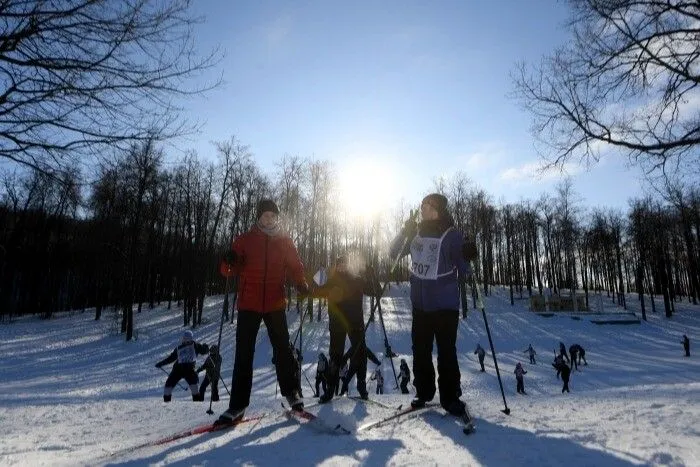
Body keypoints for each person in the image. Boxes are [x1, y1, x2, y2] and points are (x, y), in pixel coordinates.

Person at [215, 199, 309, 426]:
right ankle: (237, 406)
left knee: (283, 350)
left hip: (275, 302)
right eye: (265, 215)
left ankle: (292, 393)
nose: (269, 219)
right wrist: (228, 262)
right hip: (249, 303)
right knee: (243, 353)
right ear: (258, 217)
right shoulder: (245, 240)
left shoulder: (285, 241)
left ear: (277, 218)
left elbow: (296, 266)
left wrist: (301, 282)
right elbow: (229, 270)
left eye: (272, 216)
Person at [389, 193, 475, 418]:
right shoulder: (415, 233)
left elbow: (465, 267)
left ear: (439, 210)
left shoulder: (452, 234)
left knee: (446, 351)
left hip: (445, 305)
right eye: (423, 204)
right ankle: (424, 392)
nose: (424, 208)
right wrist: (403, 231)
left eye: (429, 205)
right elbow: (393, 253)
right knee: (420, 350)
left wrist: (469, 252)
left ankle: (450, 397)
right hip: (420, 305)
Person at [313, 254, 380, 403]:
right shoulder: (331, 281)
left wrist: (372, 275)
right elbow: (316, 291)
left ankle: (362, 388)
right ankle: (330, 390)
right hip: (337, 324)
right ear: (336, 266)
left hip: (355, 324)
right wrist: (319, 276)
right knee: (335, 357)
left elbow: (376, 291)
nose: (341, 266)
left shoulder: (356, 279)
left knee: (360, 355)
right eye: (339, 264)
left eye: (344, 264)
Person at [155, 330, 209, 402]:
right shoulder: (179, 348)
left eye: (187, 339)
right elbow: (171, 358)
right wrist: (161, 363)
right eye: (184, 339)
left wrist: (206, 348)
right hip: (178, 370)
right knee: (168, 385)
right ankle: (166, 401)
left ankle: (197, 402)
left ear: (191, 339)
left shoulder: (195, 346)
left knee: (194, 385)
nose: (186, 341)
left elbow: (204, 351)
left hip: (189, 370)